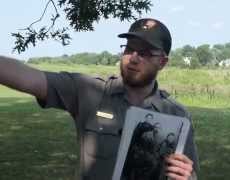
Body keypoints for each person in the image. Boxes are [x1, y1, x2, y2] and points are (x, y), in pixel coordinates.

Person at [0, 18, 199, 180]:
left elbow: (189, 173)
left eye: (145, 53)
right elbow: (30, 78)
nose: (134, 57)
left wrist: (188, 177)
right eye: (129, 49)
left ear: (162, 62)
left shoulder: (177, 116)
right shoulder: (89, 91)